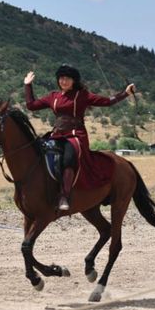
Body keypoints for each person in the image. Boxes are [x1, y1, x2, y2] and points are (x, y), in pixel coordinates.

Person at [24, 64, 136, 211]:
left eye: (67, 79)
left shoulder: (82, 95)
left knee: (69, 157)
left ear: (74, 81)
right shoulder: (53, 97)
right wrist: (27, 85)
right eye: (61, 78)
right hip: (57, 135)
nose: (64, 81)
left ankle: (64, 195)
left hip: (76, 135)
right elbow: (31, 105)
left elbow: (107, 101)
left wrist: (125, 93)